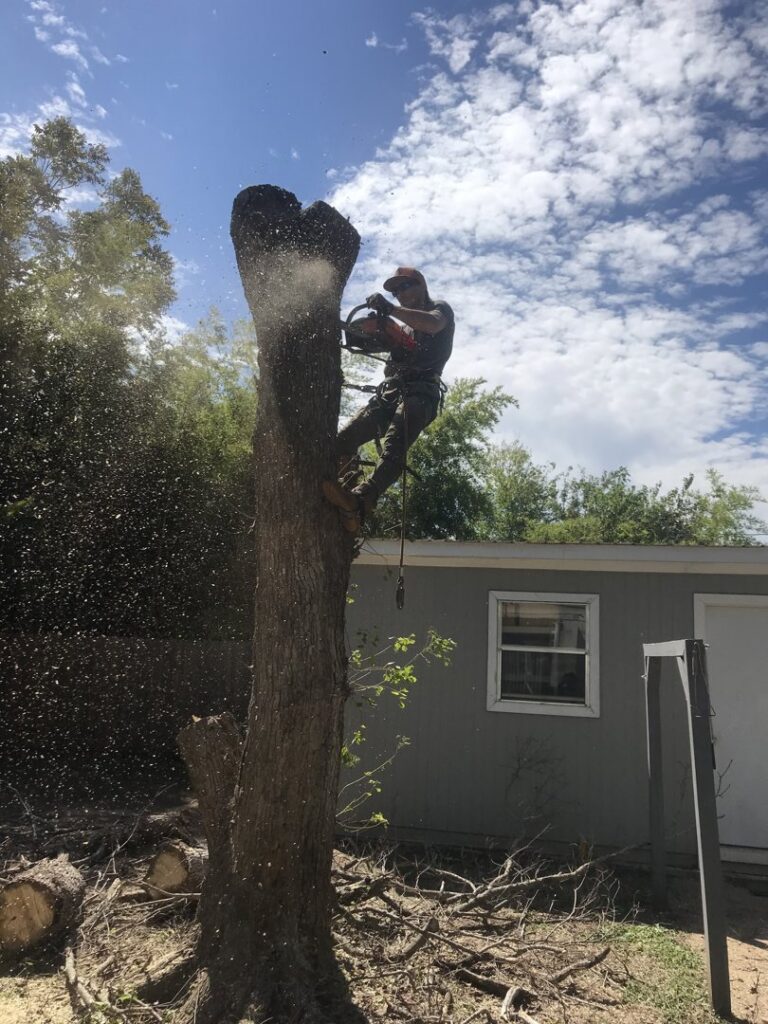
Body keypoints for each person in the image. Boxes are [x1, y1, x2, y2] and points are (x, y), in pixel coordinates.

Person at [323, 266, 454, 533]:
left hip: (421, 393)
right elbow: (381, 342)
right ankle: (343, 489)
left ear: (421, 286)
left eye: (405, 287)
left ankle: (362, 501)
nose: (400, 294)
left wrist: (390, 310)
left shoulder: (438, 310)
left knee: (395, 443)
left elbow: (431, 324)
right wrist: (368, 333)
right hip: (390, 393)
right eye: (395, 292)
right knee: (345, 439)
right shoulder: (403, 326)